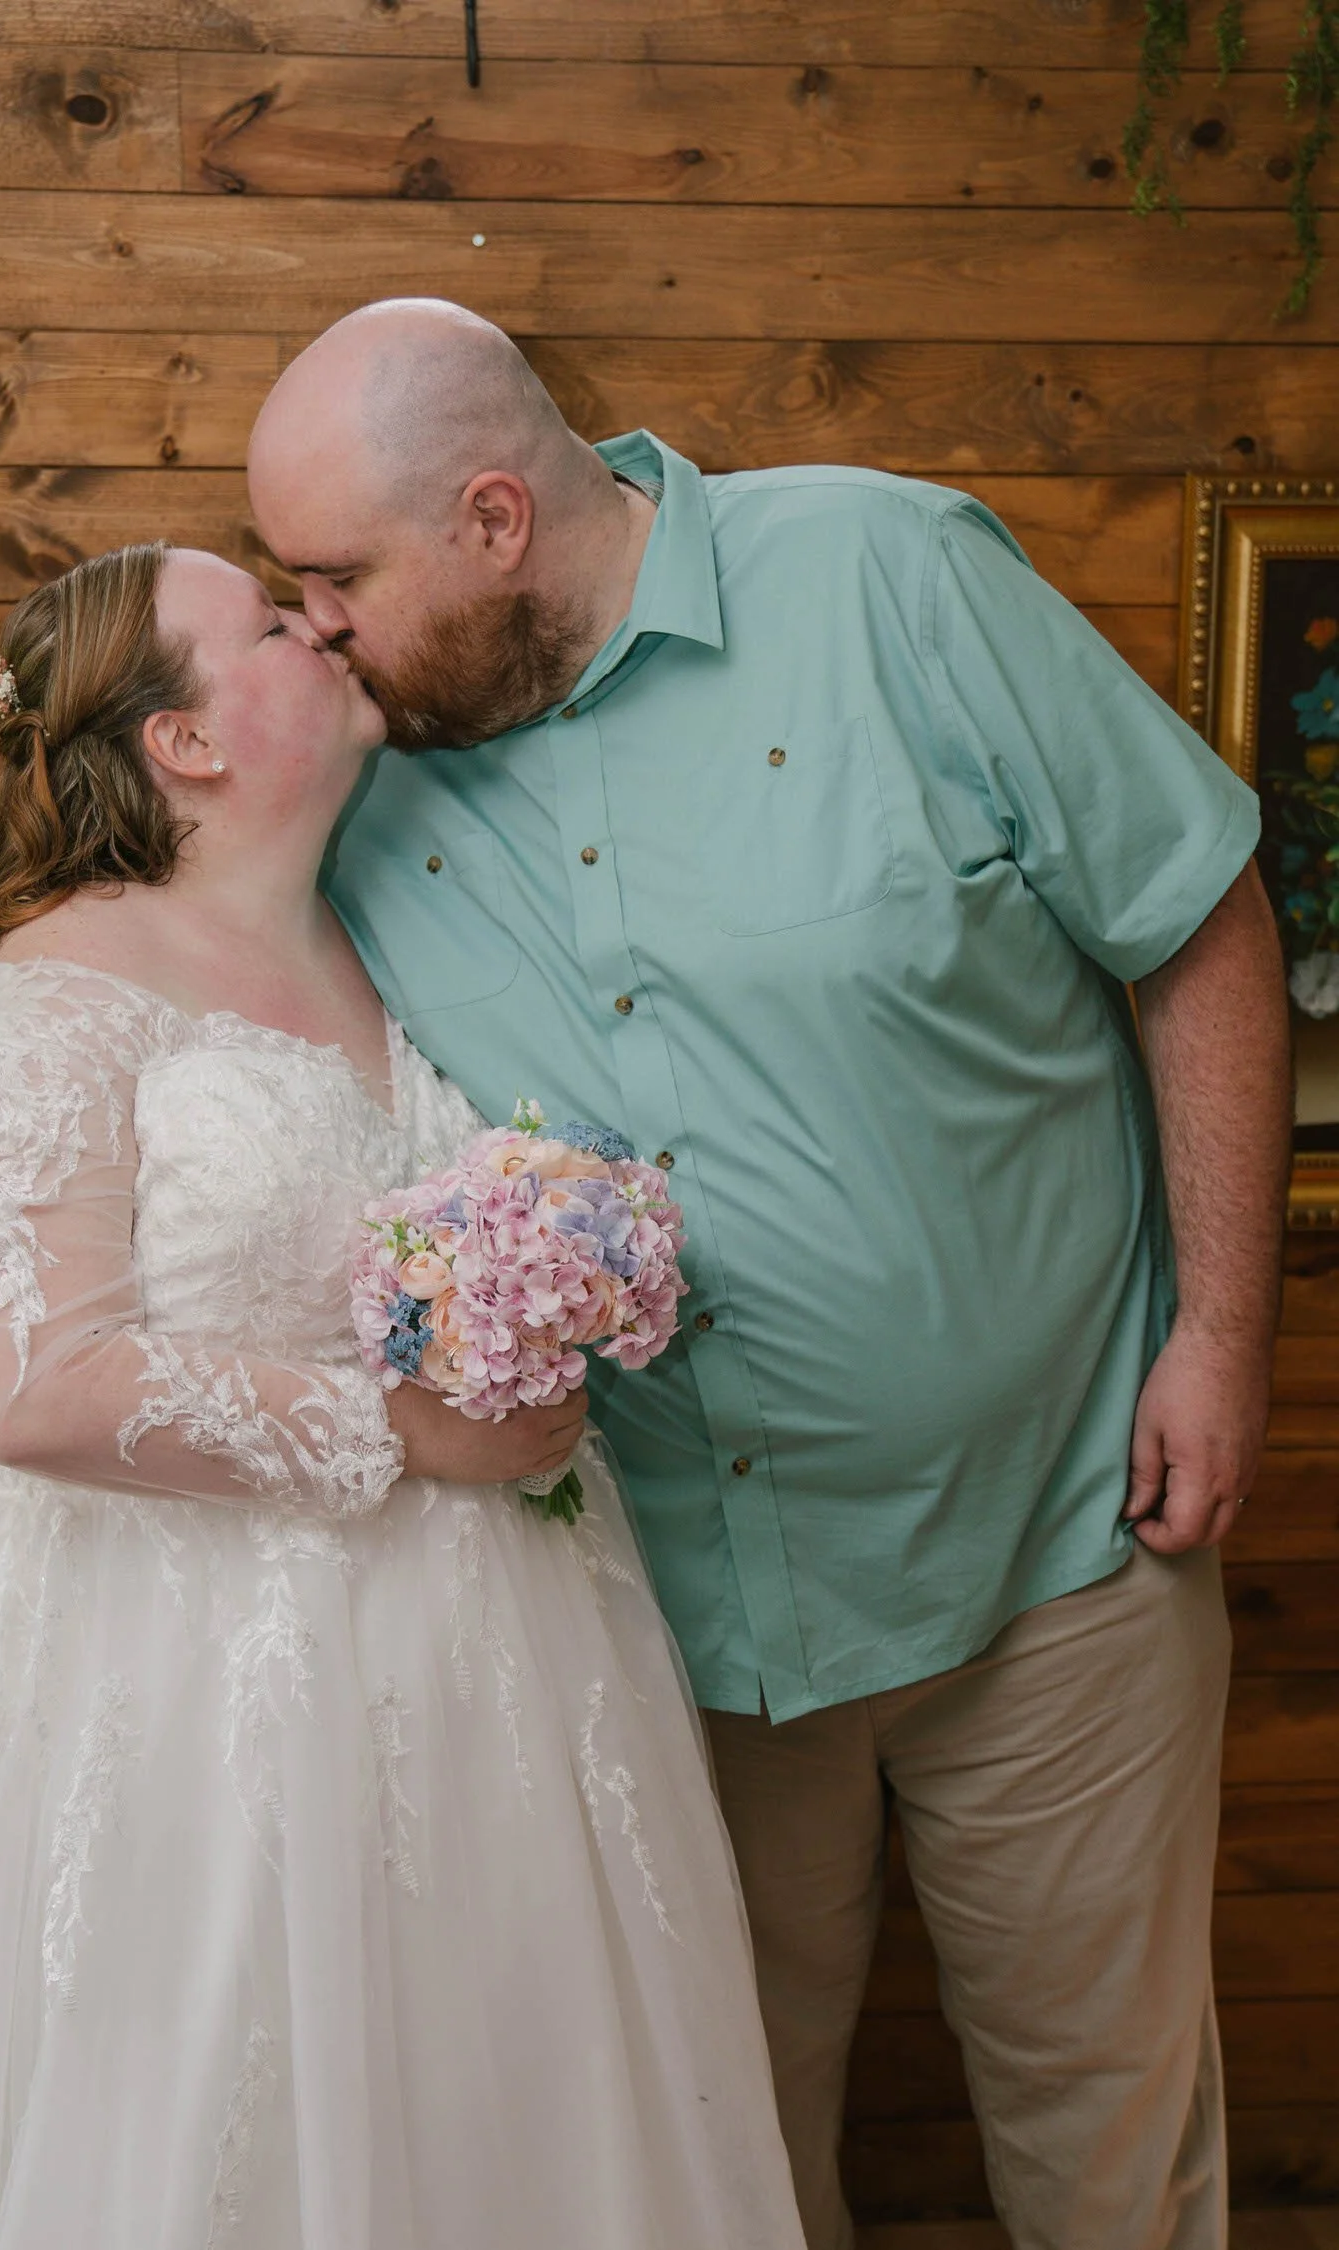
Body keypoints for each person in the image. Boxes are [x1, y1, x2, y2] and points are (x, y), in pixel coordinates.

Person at [240, 298, 1293, 2250]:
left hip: (1058, 1566)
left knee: (1112, 2170)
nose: (314, 625)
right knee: (710, 2185)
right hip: (668, 1630)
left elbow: (1195, 918)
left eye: (335, 577)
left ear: (492, 518)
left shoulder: (894, 581)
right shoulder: (355, 770)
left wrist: (1227, 1331)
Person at [0, 543, 808, 2250]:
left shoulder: (377, 946)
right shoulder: (56, 995)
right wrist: (406, 1428)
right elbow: (28, 1383)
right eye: (272, 624)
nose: (323, 626)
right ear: (185, 744)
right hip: (160, 1690)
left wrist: (539, 1328)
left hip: (471, 1669)